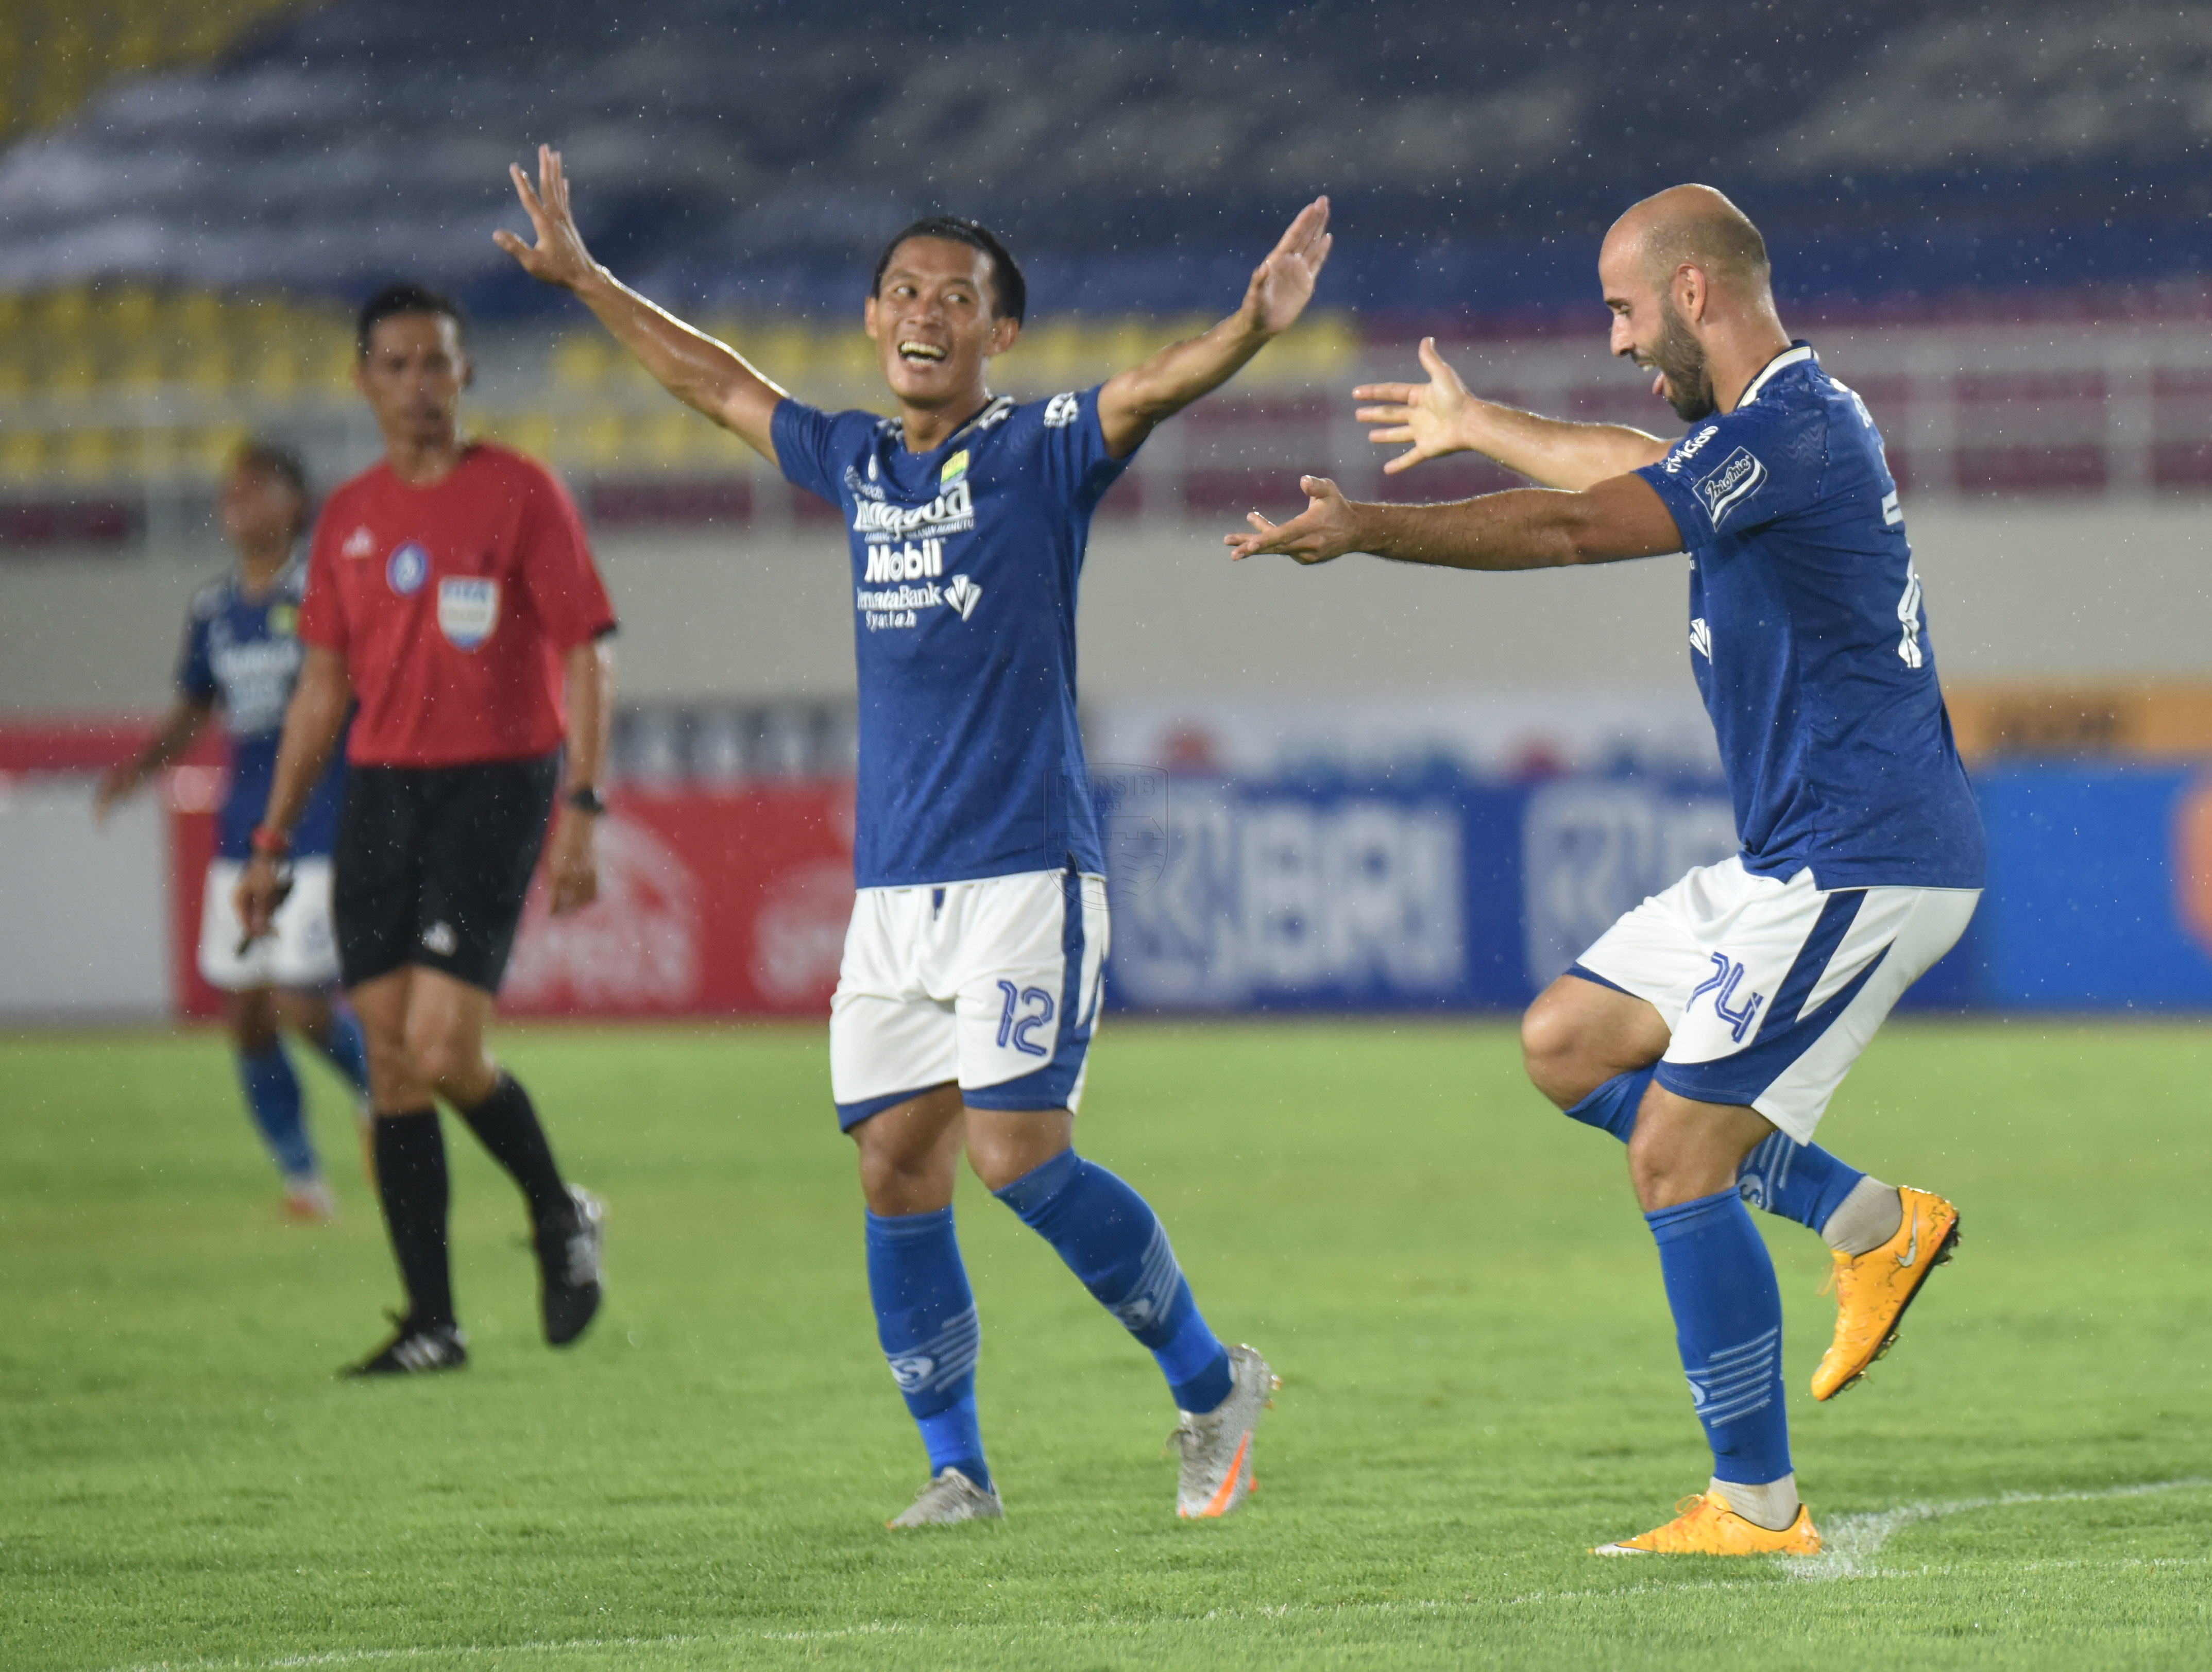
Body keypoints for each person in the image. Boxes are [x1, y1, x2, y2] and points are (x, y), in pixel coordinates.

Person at [496, 144, 1331, 1525]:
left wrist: (1246, 328)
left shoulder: (1038, 450)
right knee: (893, 1162)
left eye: (954, 294)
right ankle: (957, 1467)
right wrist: (587, 277)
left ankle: (1209, 1380)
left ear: (998, 333)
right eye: (900, 290)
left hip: (1023, 872)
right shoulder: (855, 460)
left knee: (1014, 1152)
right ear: (875, 321)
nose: (923, 310)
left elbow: (1147, 388)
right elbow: (716, 383)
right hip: (897, 892)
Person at [1228, 184, 1985, 1556]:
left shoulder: (1798, 425)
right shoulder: (1771, 431)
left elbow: (1585, 524)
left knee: (1673, 1151)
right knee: (1568, 1040)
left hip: (1863, 858)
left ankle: (1753, 1502)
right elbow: (1618, 464)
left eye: (1626, 309)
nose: (1620, 338)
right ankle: (1867, 1219)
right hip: (1787, 860)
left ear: (1695, 291)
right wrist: (1474, 426)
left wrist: (1368, 529)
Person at [235, 281, 616, 1377]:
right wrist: (270, 841)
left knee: (445, 1047)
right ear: (363, 382)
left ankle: (556, 1212)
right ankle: (432, 1324)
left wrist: (581, 805)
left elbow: (589, 648)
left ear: (465, 376)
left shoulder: (522, 495)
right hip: (380, 793)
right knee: (395, 1065)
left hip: (496, 785)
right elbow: (320, 686)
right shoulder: (349, 517)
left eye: (435, 363)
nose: (418, 384)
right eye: (395, 366)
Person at [97, 442, 373, 1222]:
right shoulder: (213, 611)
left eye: (257, 489)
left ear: (296, 502)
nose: (239, 502)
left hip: (319, 823)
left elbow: (354, 691)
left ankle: (377, 1092)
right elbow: (195, 706)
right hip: (239, 833)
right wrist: (139, 767)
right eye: (231, 491)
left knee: (303, 1003)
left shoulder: (325, 591)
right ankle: (303, 1179)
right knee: (247, 1014)